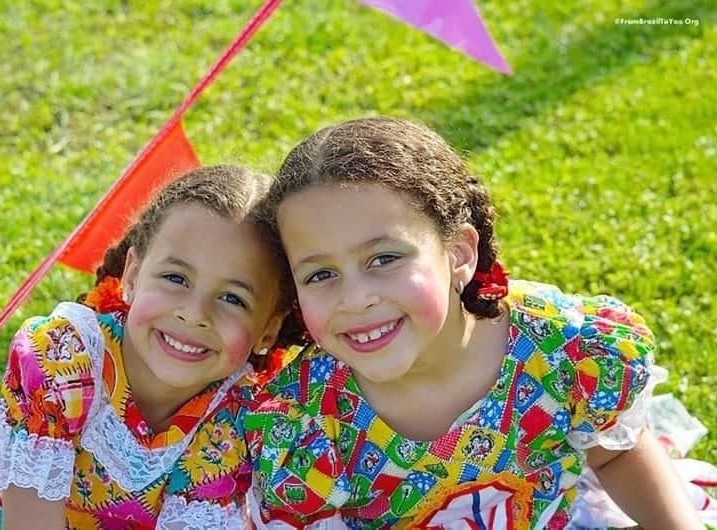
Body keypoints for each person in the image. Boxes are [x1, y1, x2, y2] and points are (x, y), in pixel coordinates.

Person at [242, 118, 707, 529]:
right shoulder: (305, 418)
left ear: (460, 253)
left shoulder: (558, 348)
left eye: (384, 258)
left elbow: (619, 455)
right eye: (321, 274)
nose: (356, 299)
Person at [0, 165, 295, 529]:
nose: (194, 314)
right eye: (176, 278)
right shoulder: (64, 359)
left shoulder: (237, 417)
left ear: (268, 331)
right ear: (132, 275)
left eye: (232, 298)